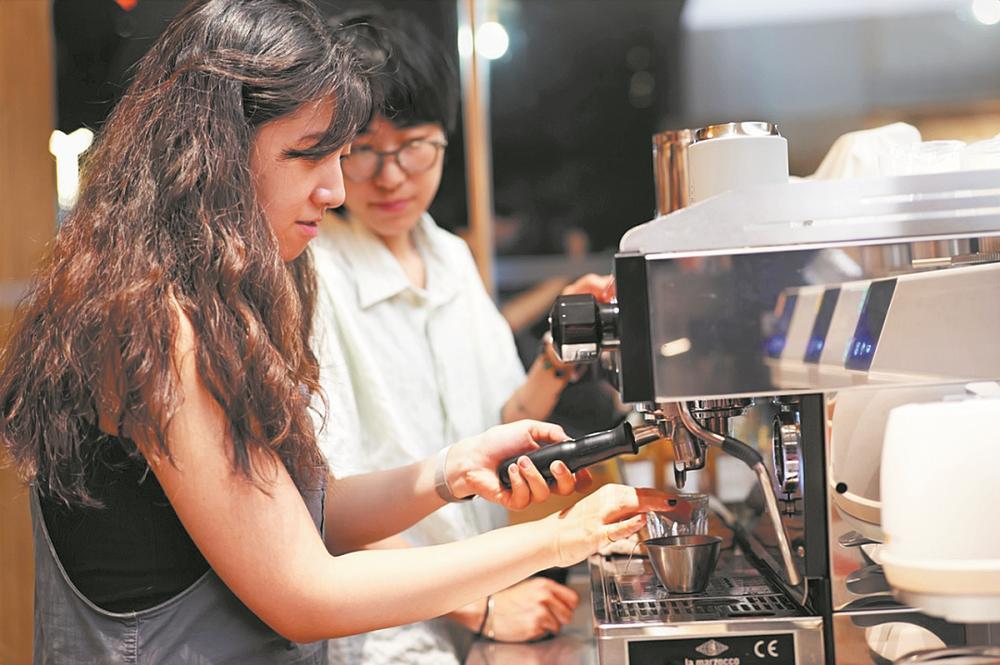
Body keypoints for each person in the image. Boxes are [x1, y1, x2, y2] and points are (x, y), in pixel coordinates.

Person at [0, 1, 682, 663]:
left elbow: (301, 514)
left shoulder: (215, 302)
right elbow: (303, 591)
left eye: (338, 156)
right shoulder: (161, 324)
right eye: (308, 155)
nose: (335, 189)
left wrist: (450, 470)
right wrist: (559, 539)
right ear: (212, 155)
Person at [311, 11, 618, 664]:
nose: (391, 176)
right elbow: (324, 503)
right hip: (386, 633)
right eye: (363, 150)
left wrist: (558, 356)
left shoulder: (449, 255)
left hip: (480, 606)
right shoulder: (313, 271)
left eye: (414, 145)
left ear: (444, 141)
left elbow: (501, 422)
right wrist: (480, 605)